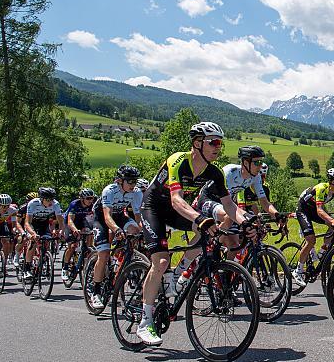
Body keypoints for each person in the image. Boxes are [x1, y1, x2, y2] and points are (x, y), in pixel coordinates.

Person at [136, 122, 240, 346]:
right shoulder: (178, 160)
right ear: (197, 142)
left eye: (220, 143)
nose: (218, 147)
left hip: (178, 211)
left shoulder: (214, 171)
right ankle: (145, 321)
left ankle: (180, 271)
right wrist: (199, 218)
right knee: (162, 261)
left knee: (212, 228)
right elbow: (176, 199)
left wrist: (247, 222)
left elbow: (230, 206)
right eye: (214, 142)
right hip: (154, 207)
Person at [90, 167, 143, 310]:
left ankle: (124, 259)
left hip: (119, 216)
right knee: (104, 253)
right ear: (120, 181)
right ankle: (95, 291)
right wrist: (116, 230)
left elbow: (138, 217)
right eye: (130, 181)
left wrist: (143, 231)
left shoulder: (136, 192)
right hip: (101, 219)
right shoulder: (110, 190)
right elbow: (107, 217)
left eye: (135, 181)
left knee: (135, 231)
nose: (134, 184)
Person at [292, 168, 334, 287]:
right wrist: (332, 220)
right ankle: (298, 271)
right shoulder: (321, 188)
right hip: (303, 210)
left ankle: (322, 252)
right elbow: (320, 210)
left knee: (333, 227)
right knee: (311, 240)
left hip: (314, 210)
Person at [23, 187, 64, 280]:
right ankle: (27, 268)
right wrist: (33, 233)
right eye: (48, 200)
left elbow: (61, 222)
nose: (50, 202)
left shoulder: (55, 204)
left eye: (52, 199)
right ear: (41, 199)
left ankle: (43, 260)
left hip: (43, 224)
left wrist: (61, 232)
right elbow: (27, 223)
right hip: (32, 224)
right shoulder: (33, 203)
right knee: (32, 242)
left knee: (46, 241)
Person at [61, 188, 96, 282]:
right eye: (88, 198)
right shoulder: (74, 204)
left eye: (92, 198)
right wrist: (75, 230)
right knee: (72, 246)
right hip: (70, 223)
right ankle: (65, 267)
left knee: (89, 240)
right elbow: (70, 221)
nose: (90, 200)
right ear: (82, 198)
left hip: (82, 222)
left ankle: (86, 259)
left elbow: (94, 220)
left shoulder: (92, 205)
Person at [0, 194, 18, 266]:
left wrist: (14, 230)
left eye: (7, 206)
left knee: (6, 242)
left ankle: (4, 263)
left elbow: (14, 224)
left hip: (2, 224)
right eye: (3, 206)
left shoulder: (12, 210)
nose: (5, 208)